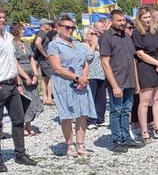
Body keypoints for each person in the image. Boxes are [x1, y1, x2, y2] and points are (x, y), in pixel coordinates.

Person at [47, 14, 96, 157]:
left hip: (81, 83)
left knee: (82, 114)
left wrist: (84, 78)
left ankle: (80, 145)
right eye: (67, 27)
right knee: (67, 115)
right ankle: (69, 146)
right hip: (64, 83)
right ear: (58, 27)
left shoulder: (78, 44)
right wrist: (77, 78)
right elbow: (56, 67)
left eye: (72, 27)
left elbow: (85, 62)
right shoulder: (54, 45)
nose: (70, 30)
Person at [100, 9, 144, 153]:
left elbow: (132, 60)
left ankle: (126, 138)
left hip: (129, 81)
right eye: (119, 20)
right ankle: (117, 140)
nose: (122, 23)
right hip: (117, 81)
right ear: (111, 21)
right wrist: (114, 86)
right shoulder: (106, 37)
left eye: (124, 20)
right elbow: (105, 63)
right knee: (116, 111)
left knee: (126, 111)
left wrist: (136, 82)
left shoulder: (126, 37)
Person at [0, 8, 37, 171]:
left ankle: (20, 154)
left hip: (12, 83)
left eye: (3, 17)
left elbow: (12, 61)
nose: (2, 20)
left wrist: (19, 81)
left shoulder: (8, 37)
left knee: (18, 119)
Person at [133, 7, 158, 142]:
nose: (147, 20)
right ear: (140, 19)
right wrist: (157, 64)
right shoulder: (137, 33)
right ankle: (144, 131)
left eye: (148, 17)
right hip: (146, 67)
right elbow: (140, 54)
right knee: (145, 101)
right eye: (144, 18)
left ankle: (157, 127)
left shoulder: (156, 31)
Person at [12, 23, 44, 136]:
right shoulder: (12, 44)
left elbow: (31, 59)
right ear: (16, 31)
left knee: (33, 99)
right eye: (22, 29)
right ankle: (23, 126)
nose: (24, 31)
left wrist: (35, 75)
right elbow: (15, 63)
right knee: (24, 101)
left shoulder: (25, 44)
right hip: (20, 76)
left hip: (31, 74)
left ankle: (29, 125)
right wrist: (25, 76)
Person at [81, 26, 107, 129]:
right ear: (86, 35)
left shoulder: (97, 47)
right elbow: (88, 57)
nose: (94, 36)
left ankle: (100, 118)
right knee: (91, 97)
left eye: (95, 34)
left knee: (101, 98)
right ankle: (91, 120)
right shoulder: (82, 46)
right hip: (90, 75)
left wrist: (97, 46)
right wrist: (92, 46)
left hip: (100, 75)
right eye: (91, 34)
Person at [33, 18, 55, 105]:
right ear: (43, 25)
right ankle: (49, 98)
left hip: (40, 59)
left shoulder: (41, 33)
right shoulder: (42, 32)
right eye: (48, 24)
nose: (49, 25)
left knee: (45, 78)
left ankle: (45, 97)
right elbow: (38, 43)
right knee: (52, 77)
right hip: (44, 59)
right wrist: (45, 54)